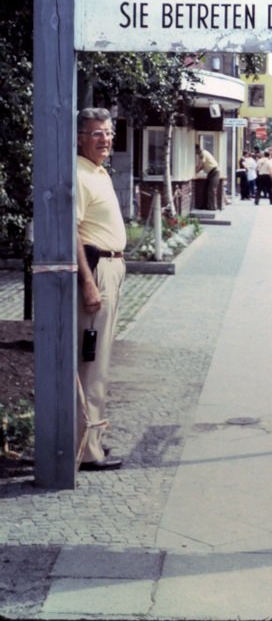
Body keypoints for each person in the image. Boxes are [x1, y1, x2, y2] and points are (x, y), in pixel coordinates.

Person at [76, 107, 126, 472]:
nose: (105, 140)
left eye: (108, 133)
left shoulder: (98, 171)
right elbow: (71, 232)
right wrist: (89, 283)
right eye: (96, 134)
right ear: (80, 137)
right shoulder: (79, 174)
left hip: (113, 267)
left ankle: (92, 438)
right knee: (90, 362)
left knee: (101, 361)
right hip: (97, 271)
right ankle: (85, 449)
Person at [195, 144, 220, 210]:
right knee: (206, 189)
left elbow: (201, 164)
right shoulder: (203, 153)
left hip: (214, 172)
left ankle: (213, 207)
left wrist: (195, 171)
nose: (195, 153)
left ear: (197, 149)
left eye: (195, 151)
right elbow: (202, 165)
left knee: (211, 190)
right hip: (211, 172)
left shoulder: (203, 153)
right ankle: (206, 206)